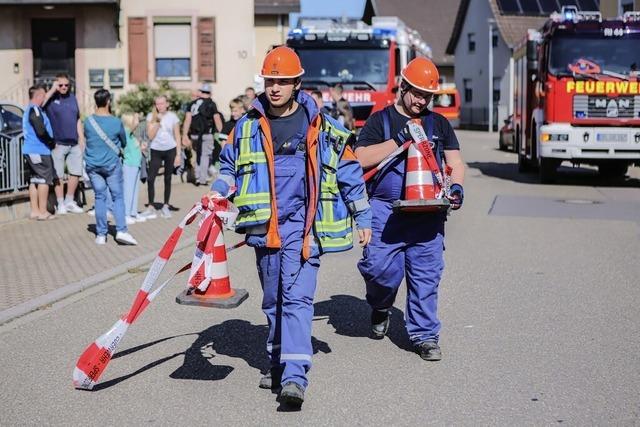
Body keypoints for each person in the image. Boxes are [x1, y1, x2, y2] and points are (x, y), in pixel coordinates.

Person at [207, 46, 371, 407]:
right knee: (273, 300)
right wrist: (218, 193)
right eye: (270, 80)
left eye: (282, 81)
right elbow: (227, 168)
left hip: (304, 228)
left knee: (297, 299)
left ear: (297, 83)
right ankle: (278, 363)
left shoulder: (322, 127)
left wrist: (363, 217)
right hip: (264, 229)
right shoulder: (246, 126)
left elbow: (349, 171)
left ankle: (295, 378)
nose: (275, 87)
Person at [355, 57, 465, 361]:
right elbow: (360, 158)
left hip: (428, 214)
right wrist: (397, 140)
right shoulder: (381, 120)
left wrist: (456, 186)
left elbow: (455, 163)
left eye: (427, 96)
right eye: (416, 93)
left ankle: (424, 335)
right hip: (385, 210)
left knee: (426, 276)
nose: (421, 101)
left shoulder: (439, 124)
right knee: (378, 271)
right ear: (403, 87)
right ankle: (380, 304)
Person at [83, 89, 138, 245]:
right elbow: (124, 142)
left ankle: (101, 235)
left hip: (93, 166)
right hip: (111, 165)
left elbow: (88, 139)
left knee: (100, 197)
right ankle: (121, 230)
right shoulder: (115, 122)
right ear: (108, 102)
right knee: (117, 197)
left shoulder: (88, 122)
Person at [43, 73, 84, 214]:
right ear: (56, 85)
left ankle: (69, 201)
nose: (64, 87)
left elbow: (78, 118)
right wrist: (53, 90)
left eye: (66, 85)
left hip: (74, 142)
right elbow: (39, 105)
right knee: (58, 174)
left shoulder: (73, 98)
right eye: (60, 85)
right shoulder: (51, 99)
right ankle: (60, 204)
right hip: (58, 143)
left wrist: (81, 137)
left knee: (76, 172)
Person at [143, 95, 182, 219]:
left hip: (170, 149)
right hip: (156, 150)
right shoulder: (151, 116)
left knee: (168, 178)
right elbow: (150, 136)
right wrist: (158, 122)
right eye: (157, 104)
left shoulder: (173, 117)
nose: (159, 106)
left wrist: (178, 154)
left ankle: (165, 205)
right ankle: (151, 206)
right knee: (150, 178)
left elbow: (177, 136)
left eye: (162, 103)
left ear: (167, 104)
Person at [22, 85, 57, 220]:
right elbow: (40, 130)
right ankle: (43, 212)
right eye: (43, 96)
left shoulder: (29, 109)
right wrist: (51, 142)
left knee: (34, 180)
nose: (45, 98)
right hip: (39, 150)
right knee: (43, 180)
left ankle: (35, 211)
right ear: (38, 97)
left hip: (30, 150)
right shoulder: (35, 110)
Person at [182, 83, 223, 186]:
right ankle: (202, 179)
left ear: (200, 92)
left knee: (198, 155)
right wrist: (222, 133)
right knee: (205, 156)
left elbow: (187, 120)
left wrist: (185, 134)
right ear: (210, 93)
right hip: (206, 134)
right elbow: (217, 119)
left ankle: (197, 176)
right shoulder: (211, 104)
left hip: (194, 135)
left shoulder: (192, 104)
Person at [120, 113, 146, 224]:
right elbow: (135, 124)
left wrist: (141, 147)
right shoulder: (126, 131)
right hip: (129, 165)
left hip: (136, 164)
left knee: (134, 190)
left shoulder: (131, 135)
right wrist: (136, 116)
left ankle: (133, 212)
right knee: (128, 190)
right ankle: (126, 214)